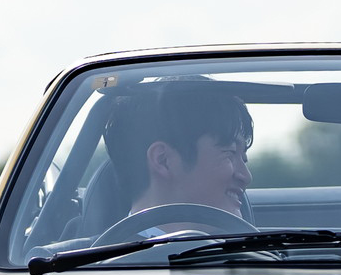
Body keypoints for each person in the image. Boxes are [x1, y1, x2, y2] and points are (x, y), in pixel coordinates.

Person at [98, 79, 254, 235]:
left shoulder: (255, 249)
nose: (246, 176)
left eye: (244, 159)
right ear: (163, 160)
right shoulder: (97, 251)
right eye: (230, 153)